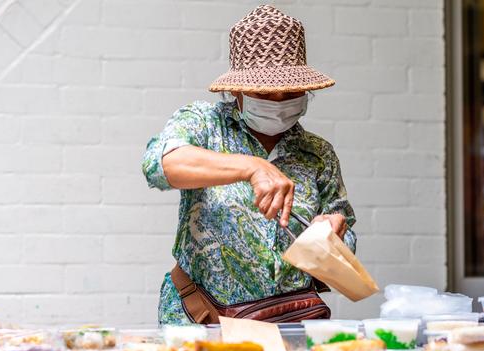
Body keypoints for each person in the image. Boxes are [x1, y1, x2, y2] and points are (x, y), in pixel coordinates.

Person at [142, 5, 356, 324]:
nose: (279, 104)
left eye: (291, 94)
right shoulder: (205, 125)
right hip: (203, 318)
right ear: (237, 91)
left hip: (289, 322)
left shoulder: (317, 153)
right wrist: (252, 167)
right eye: (265, 93)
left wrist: (333, 232)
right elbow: (161, 166)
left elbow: (345, 239)